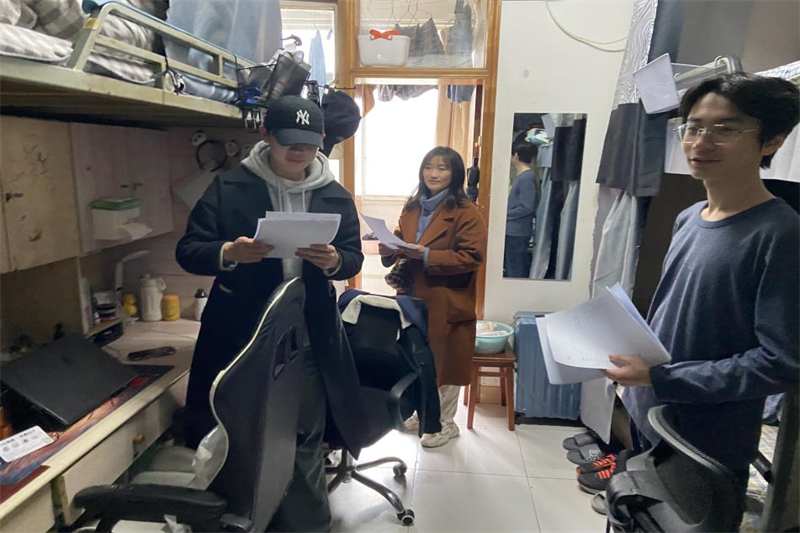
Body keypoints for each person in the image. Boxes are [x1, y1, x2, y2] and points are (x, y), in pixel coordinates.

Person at [605, 73, 799, 526]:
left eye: (725, 129)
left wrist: (662, 377)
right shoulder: (690, 217)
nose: (701, 142)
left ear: (772, 141)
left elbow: (780, 363)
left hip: (706, 441)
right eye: (692, 127)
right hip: (650, 413)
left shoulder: (781, 234)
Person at [176, 95, 367, 532]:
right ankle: (239, 519)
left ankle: (306, 524)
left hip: (309, 336)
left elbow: (353, 256)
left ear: (322, 139)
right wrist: (229, 251)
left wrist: (335, 260)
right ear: (266, 135)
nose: (298, 151)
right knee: (237, 432)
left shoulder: (334, 195)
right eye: (288, 141)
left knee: (304, 432)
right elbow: (188, 250)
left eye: (308, 143)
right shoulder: (229, 187)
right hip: (241, 335)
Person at [380, 146, 488, 448]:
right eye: (429, 167)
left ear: (455, 174)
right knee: (416, 356)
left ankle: (445, 423)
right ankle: (420, 412)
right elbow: (401, 238)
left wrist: (427, 255)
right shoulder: (413, 206)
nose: (434, 174)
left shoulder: (467, 211)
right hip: (412, 294)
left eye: (442, 168)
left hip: (447, 298)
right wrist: (389, 247)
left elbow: (472, 256)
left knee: (447, 360)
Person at [505, 140, 539, 278]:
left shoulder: (527, 178)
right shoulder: (523, 177)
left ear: (516, 155)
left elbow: (527, 206)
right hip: (514, 230)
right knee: (512, 268)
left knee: (515, 271)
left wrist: (505, 214)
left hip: (517, 232)